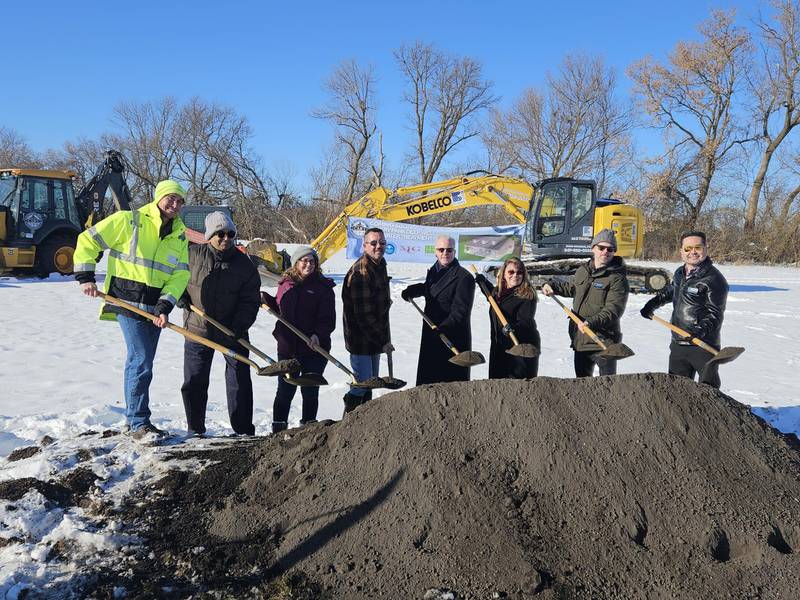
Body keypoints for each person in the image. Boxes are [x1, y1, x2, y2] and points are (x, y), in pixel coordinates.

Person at [74, 179, 190, 439]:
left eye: (179, 200)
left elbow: (180, 275)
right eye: (170, 198)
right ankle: (138, 422)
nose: (174, 204)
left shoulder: (180, 234)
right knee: (141, 361)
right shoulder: (130, 220)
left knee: (142, 361)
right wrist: (85, 277)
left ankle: (136, 419)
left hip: (154, 307)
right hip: (126, 301)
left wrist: (165, 305)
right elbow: (88, 240)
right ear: (158, 197)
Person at [179, 211, 261, 436]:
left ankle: (243, 429)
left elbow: (250, 300)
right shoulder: (192, 255)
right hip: (198, 328)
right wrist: (178, 294)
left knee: (239, 380)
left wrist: (239, 326)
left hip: (232, 330)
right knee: (195, 380)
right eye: (220, 234)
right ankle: (195, 429)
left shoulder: (244, 264)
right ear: (209, 235)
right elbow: (175, 279)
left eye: (230, 234)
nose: (226, 238)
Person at [640, 231, 729, 388]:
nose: (692, 252)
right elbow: (671, 292)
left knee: (708, 391)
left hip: (702, 345)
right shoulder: (680, 273)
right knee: (676, 389)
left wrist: (698, 333)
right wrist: (652, 304)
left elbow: (715, 315)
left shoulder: (714, 279)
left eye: (697, 247)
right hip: (678, 342)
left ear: (706, 249)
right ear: (681, 251)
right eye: (687, 249)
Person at [261, 246, 335, 434]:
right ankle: (278, 429)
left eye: (312, 261)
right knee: (285, 390)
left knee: (310, 390)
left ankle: (309, 429)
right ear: (296, 263)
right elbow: (281, 309)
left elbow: (328, 319)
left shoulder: (323, 287)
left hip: (314, 348)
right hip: (288, 347)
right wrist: (265, 300)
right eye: (304, 261)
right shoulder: (286, 284)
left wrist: (318, 334)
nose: (308, 264)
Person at [542, 228, 629, 377]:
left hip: (604, 340)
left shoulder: (617, 278)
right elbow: (571, 288)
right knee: (582, 387)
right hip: (581, 339)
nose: (605, 252)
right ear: (593, 248)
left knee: (607, 387)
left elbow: (614, 309)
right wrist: (551, 285)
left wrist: (591, 322)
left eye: (610, 249)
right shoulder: (583, 270)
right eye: (601, 248)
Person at [401, 236, 476, 385]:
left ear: (455, 252)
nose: (445, 253)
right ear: (435, 252)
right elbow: (432, 290)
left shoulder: (464, 277)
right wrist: (413, 290)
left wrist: (443, 328)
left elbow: (460, 311)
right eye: (441, 250)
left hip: (451, 337)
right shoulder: (435, 270)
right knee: (428, 379)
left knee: (448, 383)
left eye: (449, 250)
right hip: (432, 331)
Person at [340, 227, 393, 414]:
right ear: (364, 246)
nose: (378, 246)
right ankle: (349, 421)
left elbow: (379, 306)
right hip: (361, 339)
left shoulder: (380, 264)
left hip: (375, 337)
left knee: (370, 384)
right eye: (373, 243)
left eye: (382, 242)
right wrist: (384, 341)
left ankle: (364, 425)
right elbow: (364, 316)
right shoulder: (361, 272)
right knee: (361, 385)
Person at [476, 257, 540, 379]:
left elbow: (525, 321)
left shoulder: (526, 294)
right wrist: (483, 283)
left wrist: (512, 328)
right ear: (504, 274)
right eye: (511, 272)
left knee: (515, 386)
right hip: (499, 345)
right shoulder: (499, 292)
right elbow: (495, 301)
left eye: (519, 272)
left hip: (519, 347)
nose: (515, 275)